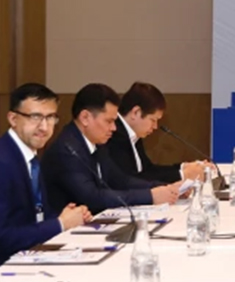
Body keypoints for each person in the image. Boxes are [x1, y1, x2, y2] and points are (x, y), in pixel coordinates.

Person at [0, 84, 92, 282]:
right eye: (35, 117)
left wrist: (65, 216)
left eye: (50, 117)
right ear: (13, 119)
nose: (44, 127)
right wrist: (60, 224)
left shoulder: (28, 157)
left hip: (20, 266)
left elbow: (33, 217)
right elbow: (1, 239)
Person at [44, 83, 182, 215]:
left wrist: (165, 188)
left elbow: (121, 181)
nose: (114, 128)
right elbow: (93, 198)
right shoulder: (66, 151)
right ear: (85, 118)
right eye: (109, 121)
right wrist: (149, 196)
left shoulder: (97, 143)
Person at [105, 82, 207, 184]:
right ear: (136, 112)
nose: (155, 126)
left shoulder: (133, 133)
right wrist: (182, 174)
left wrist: (184, 167)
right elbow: (130, 179)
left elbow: (148, 170)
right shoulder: (114, 135)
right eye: (153, 120)